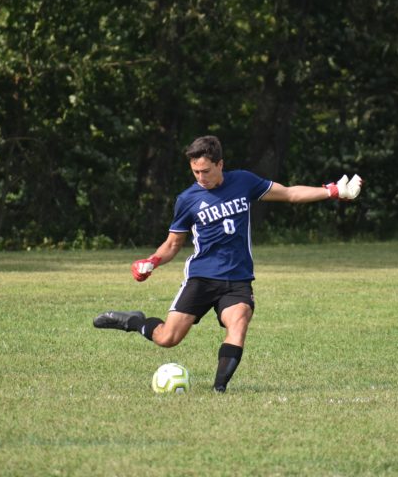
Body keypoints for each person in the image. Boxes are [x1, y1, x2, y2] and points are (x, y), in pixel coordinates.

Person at [93, 135, 362, 392]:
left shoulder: (243, 181)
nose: (200, 177)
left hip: (237, 279)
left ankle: (219, 388)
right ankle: (134, 321)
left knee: (239, 321)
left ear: (220, 164)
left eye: (206, 171)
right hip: (202, 277)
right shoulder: (187, 199)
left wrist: (333, 191)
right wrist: (151, 261)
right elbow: (173, 244)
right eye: (195, 171)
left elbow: (290, 193)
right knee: (167, 339)